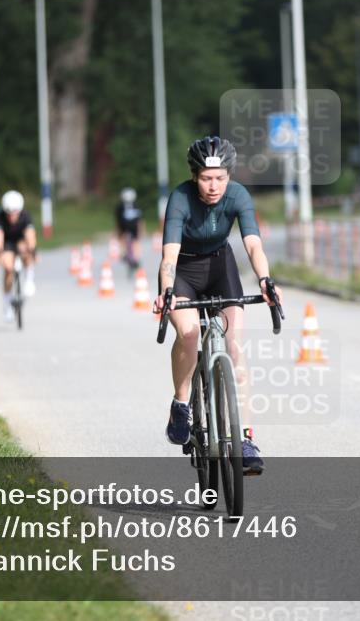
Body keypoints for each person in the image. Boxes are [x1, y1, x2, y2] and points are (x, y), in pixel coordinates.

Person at [154, 136, 284, 475]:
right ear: (195, 175)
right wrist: (167, 289)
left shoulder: (239, 195)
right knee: (188, 333)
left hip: (219, 267)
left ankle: (245, 438)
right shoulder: (180, 198)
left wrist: (265, 280)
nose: (213, 186)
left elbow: (253, 245)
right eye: (206, 178)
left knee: (235, 345)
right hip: (183, 271)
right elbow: (168, 255)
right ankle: (181, 405)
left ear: (229, 175)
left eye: (220, 178)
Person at [0, 190, 37, 321]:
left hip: (20, 241)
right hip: (7, 243)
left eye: (15, 213)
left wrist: (33, 250)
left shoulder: (25, 216)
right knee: (8, 268)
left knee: (26, 249)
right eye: (9, 213)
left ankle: (29, 279)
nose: (12, 217)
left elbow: (30, 235)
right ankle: (7, 303)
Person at [115, 187, 144, 273]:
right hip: (133, 227)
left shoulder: (120, 207)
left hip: (124, 226)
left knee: (122, 239)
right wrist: (141, 230)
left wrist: (117, 231)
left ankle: (123, 253)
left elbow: (118, 221)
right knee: (136, 241)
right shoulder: (136, 206)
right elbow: (140, 221)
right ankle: (136, 257)